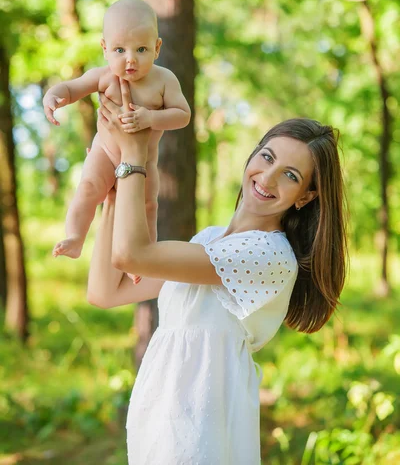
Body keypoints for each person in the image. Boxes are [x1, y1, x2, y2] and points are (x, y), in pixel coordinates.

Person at [87, 78, 348, 465]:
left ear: (306, 197)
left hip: (199, 428)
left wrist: (133, 156)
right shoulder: (208, 240)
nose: (269, 177)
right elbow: (106, 291)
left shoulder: (269, 255)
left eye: (291, 176)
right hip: (158, 417)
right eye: (267, 157)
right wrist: (113, 191)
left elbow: (131, 255)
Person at [43, 0, 191, 262]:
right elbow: (71, 88)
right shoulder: (103, 76)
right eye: (120, 50)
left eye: (141, 49)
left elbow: (183, 116)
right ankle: (75, 238)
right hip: (105, 153)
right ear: (104, 48)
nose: (130, 59)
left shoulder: (164, 80)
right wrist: (54, 96)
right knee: (88, 188)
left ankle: (143, 259)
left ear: (157, 48)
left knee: (148, 206)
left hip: (144, 162)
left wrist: (150, 117)